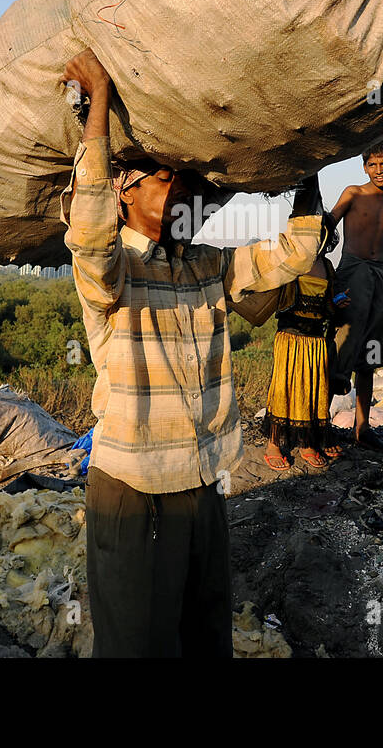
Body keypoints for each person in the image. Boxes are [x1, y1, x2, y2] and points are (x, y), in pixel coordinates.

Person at [59, 47, 322, 658]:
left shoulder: (209, 266)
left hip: (204, 483)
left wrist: (307, 166)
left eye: (185, 182)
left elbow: (295, 252)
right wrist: (99, 101)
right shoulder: (110, 274)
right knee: (137, 644)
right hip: (135, 490)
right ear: (124, 193)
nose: (180, 191)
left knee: (204, 635)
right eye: (162, 179)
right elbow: (89, 231)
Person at [329, 138, 383, 446]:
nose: (379, 170)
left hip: (381, 276)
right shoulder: (354, 193)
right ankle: (321, 421)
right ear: (364, 167)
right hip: (351, 271)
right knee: (344, 339)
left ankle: (363, 428)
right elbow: (329, 225)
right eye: (372, 164)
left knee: (372, 351)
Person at [262, 212, 349, 471]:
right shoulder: (291, 261)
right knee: (284, 390)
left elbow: (328, 306)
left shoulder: (327, 267)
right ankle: (274, 445)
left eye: (320, 232)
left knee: (313, 391)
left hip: (315, 340)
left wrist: (337, 303)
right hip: (290, 337)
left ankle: (307, 443)